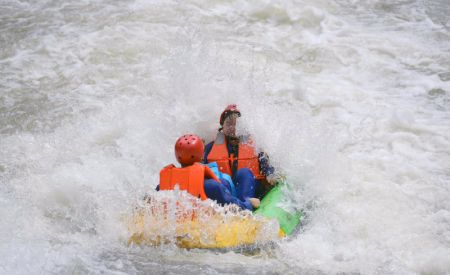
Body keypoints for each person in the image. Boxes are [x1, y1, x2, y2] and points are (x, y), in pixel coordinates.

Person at [157, 134, 260, 211]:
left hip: (178, 224)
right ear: (202, 156)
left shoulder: (162, 186)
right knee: (241, 175)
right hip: (205, 224)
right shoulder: (212, 186)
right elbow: (237, 208)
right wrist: (249, 204)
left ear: (177, 156)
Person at [203, 104, 278, 199]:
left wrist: (270, 174)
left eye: (237, 124)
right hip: (226, 191)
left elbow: (265, 164)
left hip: (250, 190)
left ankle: (246, 204)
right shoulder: (210, 148)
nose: (233, 127)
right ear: (222, 126)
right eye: (229, 124)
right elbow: (202, 169)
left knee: (245, 173)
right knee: (222, 180)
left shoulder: (254, 145)